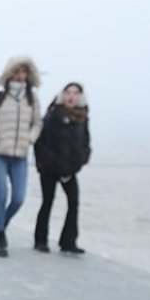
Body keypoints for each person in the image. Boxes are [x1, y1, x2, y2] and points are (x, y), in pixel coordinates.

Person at [0, 55, 43, 257]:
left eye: (23, 71)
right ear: (9, 73)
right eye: (16, 71)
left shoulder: (32, 99)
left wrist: (30, 138)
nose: (20, 75)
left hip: (20, 156)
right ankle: (0, 239)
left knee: (19, 198)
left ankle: (0, 224)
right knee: (2, 195)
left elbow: (38, 124)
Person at [33, 82, 91, 255]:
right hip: (50, 168)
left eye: (75, 93)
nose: (71, 96)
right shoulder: (52, 116)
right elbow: (40, 142)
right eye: (68, 92)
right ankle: (40, 240)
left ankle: (68, 242)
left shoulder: (82, 118)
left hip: (70, 169)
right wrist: (47, 161)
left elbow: (85, 142)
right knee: (47, 202)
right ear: (62, 95)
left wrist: (82, 159)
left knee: (73, 202)